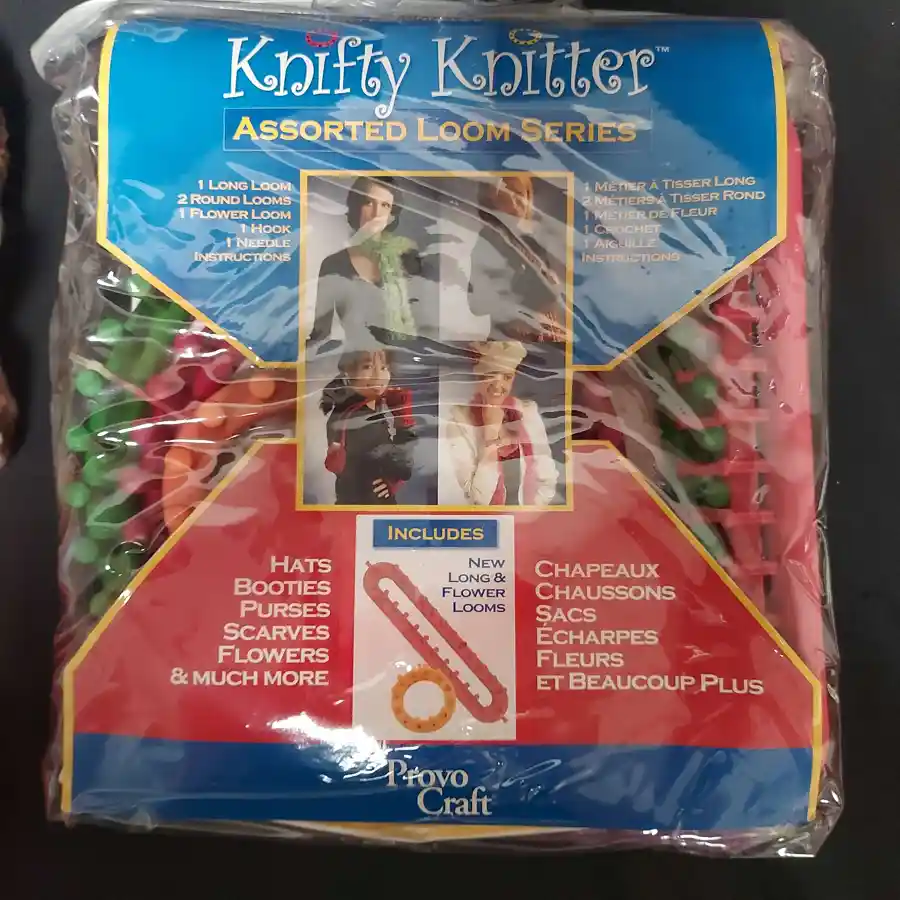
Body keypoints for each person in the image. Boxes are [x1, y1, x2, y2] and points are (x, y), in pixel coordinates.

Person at [308, 176, 434, 351]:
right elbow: (320, 334)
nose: (376, 213)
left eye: (385, 205)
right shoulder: (333, 264)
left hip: (407, 359)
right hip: (357, 362)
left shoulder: (408, 257)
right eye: (368, 202)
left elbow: (426, 325)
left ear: (391, 214)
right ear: (356, 207)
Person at [446, 340, 559, 506]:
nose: (498, 385)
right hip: (490, 520)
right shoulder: (459, 423)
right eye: (491, 375)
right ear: (478, 376)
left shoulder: (527, 413)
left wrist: (531, 511)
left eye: (507, 377)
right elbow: (479, 499)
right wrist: (491, 434)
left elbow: (547, 478)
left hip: (528, 517)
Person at [466, 174, 567, 344]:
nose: (515, 202)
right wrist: (517, 316)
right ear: (492, 202)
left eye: (519, 194)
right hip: (509, 343)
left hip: (545, 340)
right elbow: (476, 304)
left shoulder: (536, 242)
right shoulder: (487, 242)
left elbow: (552, 289)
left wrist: (553, 298)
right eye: (505, 195)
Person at [319, 348, 416, 506]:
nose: (378, 376)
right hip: (369, 506)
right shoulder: (359, 419)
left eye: (384, 367)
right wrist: (404, 421)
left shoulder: (349, 410)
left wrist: (392, 481)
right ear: (349, 371)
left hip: (360, 505)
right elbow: (403, 468)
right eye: (368, 367)